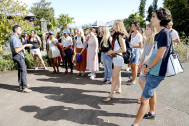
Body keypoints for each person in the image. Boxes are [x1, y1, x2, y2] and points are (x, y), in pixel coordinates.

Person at [131, 8, 172, 126]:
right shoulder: (159, 34)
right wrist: (145, 63)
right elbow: (154, 53)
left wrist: (148, 68)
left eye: (154, 17)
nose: (151, 19)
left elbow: (160, 56)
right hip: (152, 69)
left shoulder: (165, 33)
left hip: (157, 71)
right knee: (150, 93)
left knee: (144, 100)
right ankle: (152, 113)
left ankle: (135, 124)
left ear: (160, 19)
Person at [103, 20, 127, 102]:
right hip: (116, 58)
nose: (112, 25)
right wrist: (111, 51)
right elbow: (116, 47)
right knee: (117, 75)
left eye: (113, 24)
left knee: (114, 77)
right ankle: (118, 89)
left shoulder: (120, 35)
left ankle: (110, 95)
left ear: (117, 25)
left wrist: (112, 52)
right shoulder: (116, 35)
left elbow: (124, 49)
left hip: (118, 58)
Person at [9, 25, 33, 93]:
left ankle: (21, 84)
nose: (21, 31)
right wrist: (25, 45)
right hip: (18, 55)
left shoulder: (13, 37)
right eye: (20, 29)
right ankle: (24, 87)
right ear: (16, 30)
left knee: (21, 70)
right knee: (23, 70)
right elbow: (16, 50)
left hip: (17, 56)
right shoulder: (15, 38)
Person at [137, 23, 156, 104]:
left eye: (147, 29)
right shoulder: (146, 39)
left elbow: (153, 55)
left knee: (144, 81)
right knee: (141, 80)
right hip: (144, 62)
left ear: (152, 30)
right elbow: (144, 52)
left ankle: (146, 96)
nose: (145, 30)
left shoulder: (155, 41)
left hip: (150, 64)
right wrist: (140, 62)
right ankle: (146, 95)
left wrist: (145, 63)